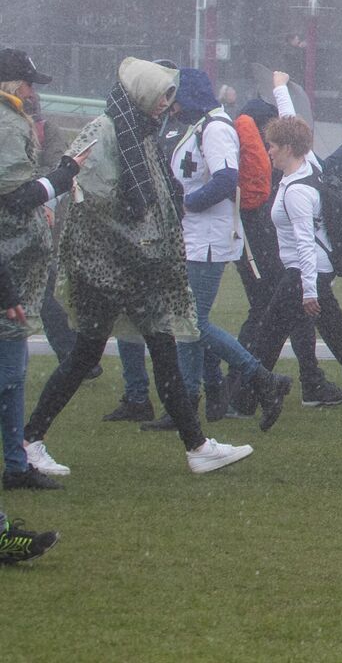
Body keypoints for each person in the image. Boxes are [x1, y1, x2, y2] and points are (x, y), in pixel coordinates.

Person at [23, 57, 255, 476]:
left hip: (135, 267)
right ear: (143, 93)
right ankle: (30, 439)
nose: (166, 105)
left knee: (155, 351)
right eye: (162, 96)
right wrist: (133, 234)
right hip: (109, 268)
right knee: (94, 356)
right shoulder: (107, 130)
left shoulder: (139, 132)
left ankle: (196, 445)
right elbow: (81, 187)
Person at [153, 67, 293, 432]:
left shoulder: (214, 129)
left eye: (174, 98)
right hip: (197, 239)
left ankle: (261, 379)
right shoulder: (203, 125)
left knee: (193, 323)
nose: (171, 106)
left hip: (207, 242)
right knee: (188, 324)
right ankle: (199, 397)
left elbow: (226, 180)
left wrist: (187, 204)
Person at [252, 116, 342, 420]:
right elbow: (291, 122)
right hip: (313, 270)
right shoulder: (309, 168)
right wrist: (281, 87)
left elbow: (304, 243)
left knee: (268, 334)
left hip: (304, 272)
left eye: (272, 146)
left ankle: (246, 396)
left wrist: (308, 291)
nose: (269, 152)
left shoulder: (295, 190)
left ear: (288, 148)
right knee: (335, 334)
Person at [2, 49, 85, 491]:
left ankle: (17, 462)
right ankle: (16, 461)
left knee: (14, 375)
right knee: (10, 375)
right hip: (8, 267)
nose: (34, 94)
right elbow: (14, 198)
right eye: (29, 84)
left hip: (15, 264)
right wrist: (64, 175)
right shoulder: (6, 125)